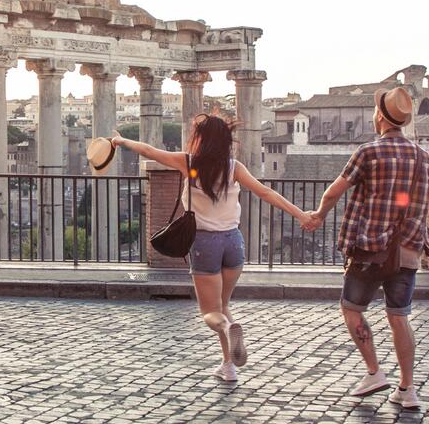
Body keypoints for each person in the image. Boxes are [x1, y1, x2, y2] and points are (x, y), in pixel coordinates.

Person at [112, 113, 313, 382]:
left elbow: (149, 151)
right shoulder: (234, 167)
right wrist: (300, 214)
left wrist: (120, 140)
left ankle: (228, 329)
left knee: (211, 312)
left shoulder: (188, 163)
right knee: (223, 303)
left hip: (205, 243)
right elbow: (266, 193)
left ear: (200, 139)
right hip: (233, 241)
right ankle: (228, 366)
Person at [302, 87, 429, 410]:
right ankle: (407, 389)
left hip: (368, 250)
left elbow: (333, 192)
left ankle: (374, 371)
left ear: (380, 117)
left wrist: (318, 215)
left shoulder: (368, 153)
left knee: (351, 308)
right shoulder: (424, 158)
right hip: (407, 252)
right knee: (400, 318)